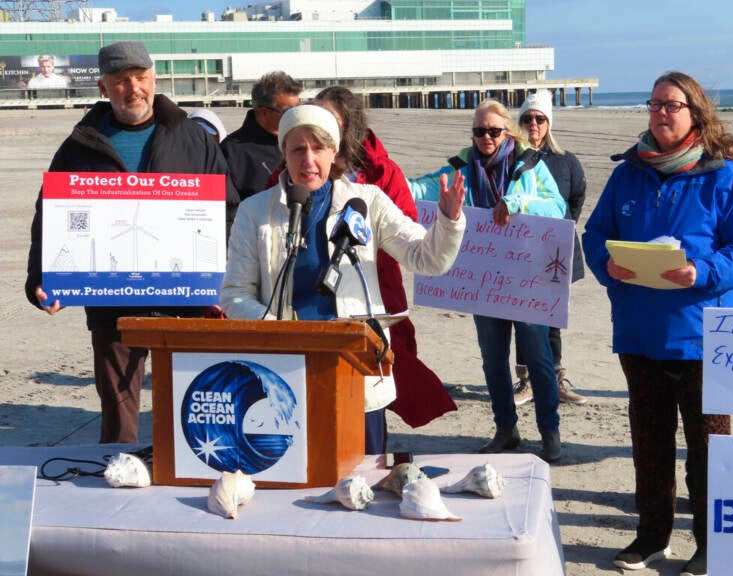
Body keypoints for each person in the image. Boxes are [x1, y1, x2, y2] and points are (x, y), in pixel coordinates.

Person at [582, 71, 733, 576]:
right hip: (640, 335)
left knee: (709, 450)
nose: (662, 112)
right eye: (655, 104)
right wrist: (606, 264)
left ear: (695, 113)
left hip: (705, 336)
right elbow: (595, 235)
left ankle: (710, 543)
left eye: (673, 105)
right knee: (649, 443)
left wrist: (700, 272)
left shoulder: (726, 176)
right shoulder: (628, 173)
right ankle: (651, 536)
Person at [24, 41, 239, 444]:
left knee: (191, 403)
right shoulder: (79, 145)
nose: (133, 89)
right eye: (121, 81)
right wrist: (43, 280)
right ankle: (117, 482)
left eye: (141, 78)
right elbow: (49, 218)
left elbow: (228, 212)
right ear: (104, 88)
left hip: (186, 299)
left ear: (154, 79)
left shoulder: (193, 139)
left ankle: (188, 477)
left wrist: (224, 278)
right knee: (119, 413)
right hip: (111, 302)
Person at [220, 104, 466, 455]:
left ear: (334, 153)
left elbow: (426, 258)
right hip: (285, 372)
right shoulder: (255, 211)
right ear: (283, 155)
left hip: (356, 370)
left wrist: (448, 220)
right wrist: (278, 331)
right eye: (298, 149)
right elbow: (234, 296)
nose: (308, 159)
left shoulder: (367, 201)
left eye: (318, 148)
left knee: (360, 481)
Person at [409, 99, 566, 462]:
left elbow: (556, 208)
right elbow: (421, 190)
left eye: (493, 131)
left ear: (507, 132)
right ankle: (506, 429)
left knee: (539, 358)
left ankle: (549, 431)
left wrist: (517, 201)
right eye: (479, 131)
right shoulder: (462, 166)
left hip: (526, 280)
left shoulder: (531, 164)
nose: (485, 137)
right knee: (493, 359)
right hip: (484, 282)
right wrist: (383, 180)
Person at [314, 86, 458, 435]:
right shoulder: (293, 176)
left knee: (371, 394)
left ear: (349, 126)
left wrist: (448, 221)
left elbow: (408, 235)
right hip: (313, 303)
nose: (321, 130)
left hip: (373, 292)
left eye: (330, 121)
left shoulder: (381, 175)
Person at [513, 90, 588, 406]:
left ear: (548, 123)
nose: (533, 123)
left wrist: (559, 230)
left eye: (540, 118)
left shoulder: (566, 161)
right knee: (521, 317)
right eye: (528, 118)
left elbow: (577, 198)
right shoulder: (510, 159)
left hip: (556, 254)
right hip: (518, 253)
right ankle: (526, 380)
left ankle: (555, 378)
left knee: (552, 319)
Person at [221, 71, 301, 200]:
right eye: (288, 111)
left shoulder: (304, 142)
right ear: (264, 112)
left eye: (298, 109)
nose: (296, 115)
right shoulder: (231, 151)